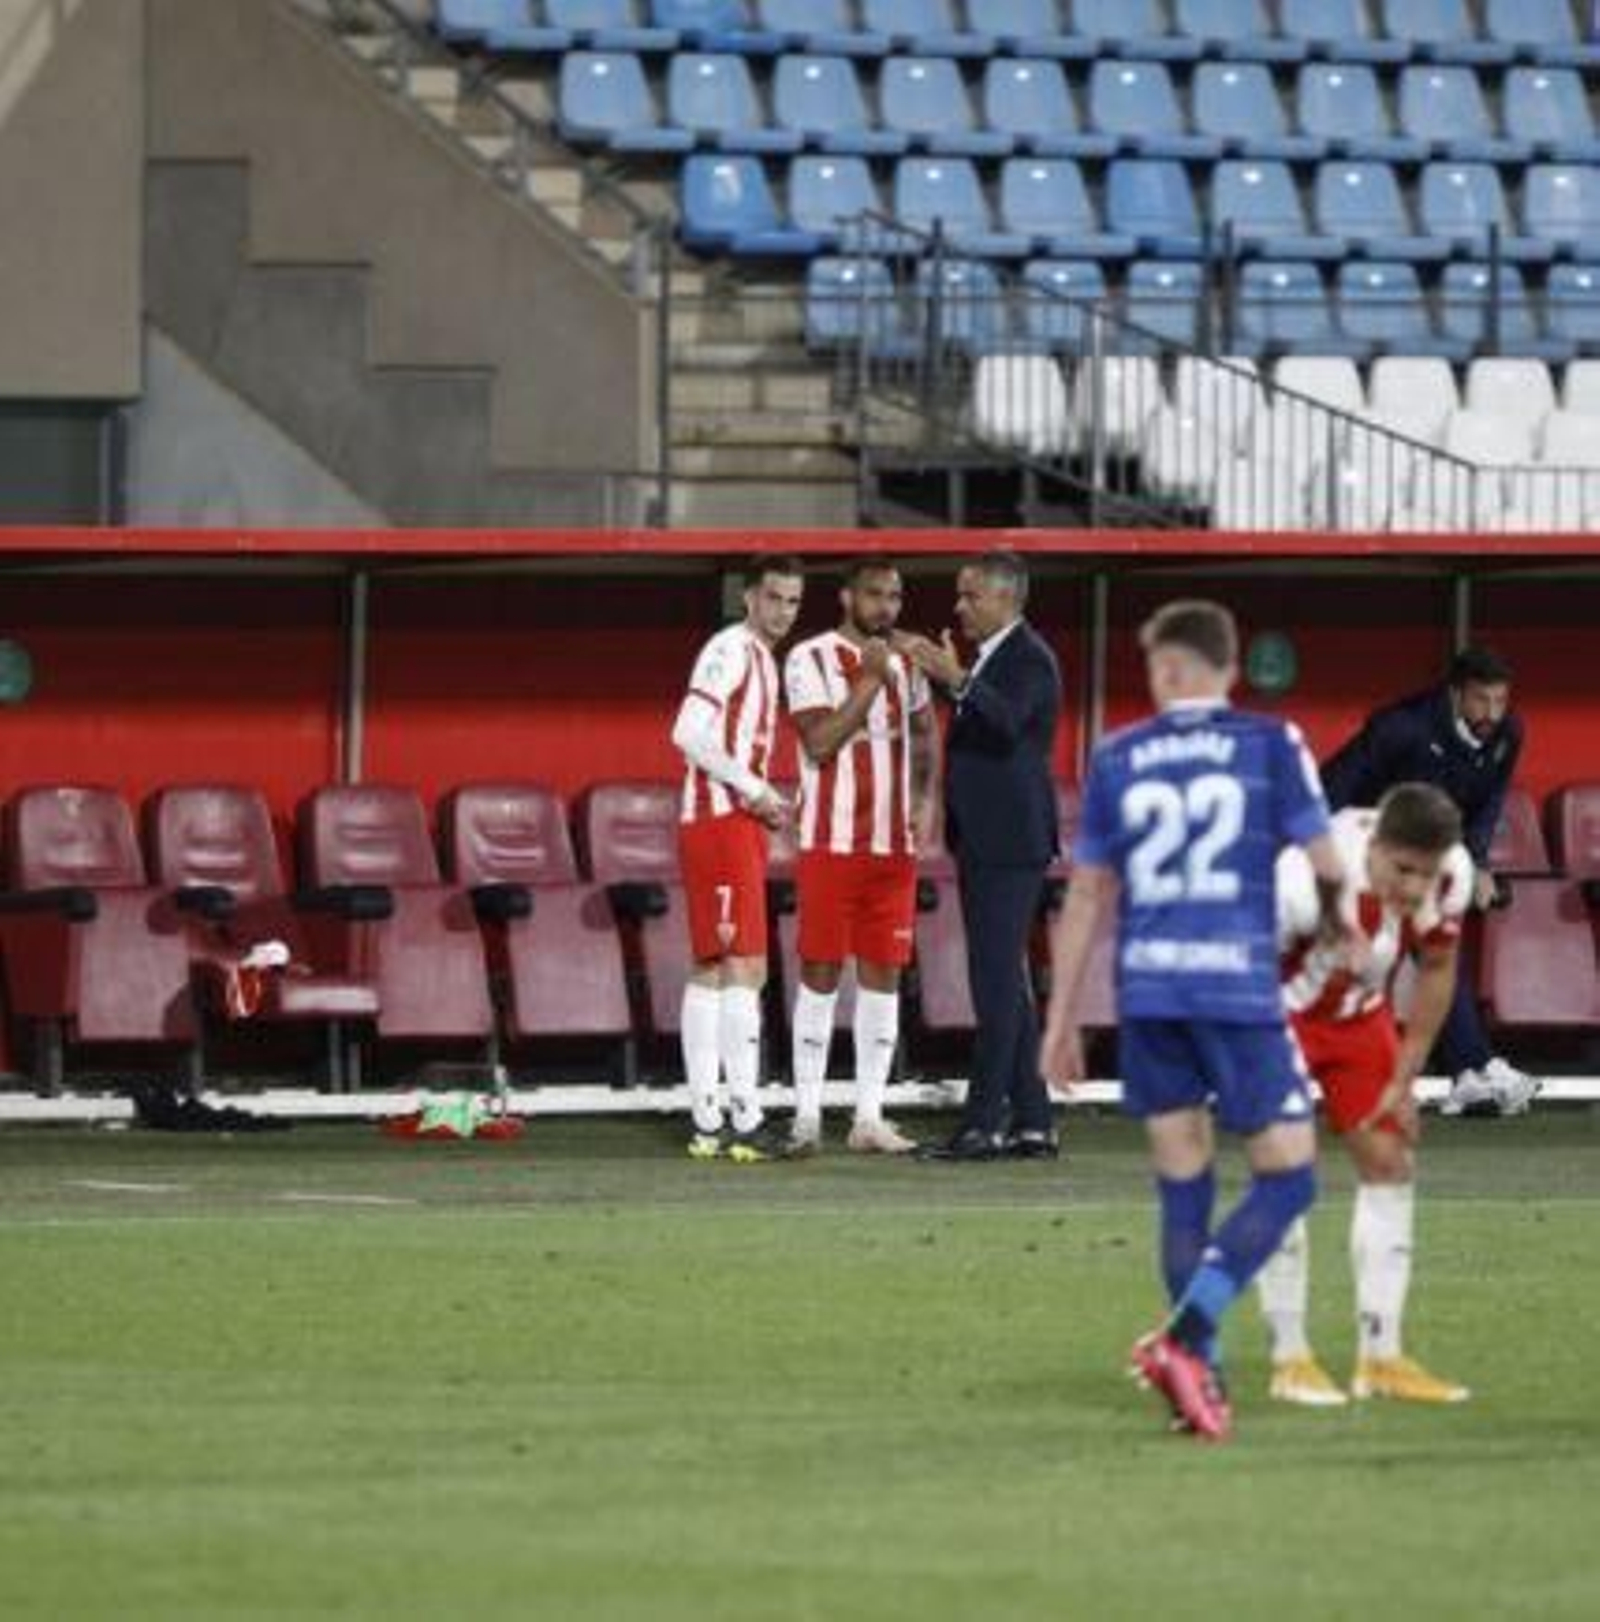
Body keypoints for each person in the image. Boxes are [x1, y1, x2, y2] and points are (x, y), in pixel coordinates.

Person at [1041, 600, 1351, 1442]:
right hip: (1237, 991)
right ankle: (1184, 1337)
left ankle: (1198, 1380)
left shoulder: (1119, 756)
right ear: (1225, 666)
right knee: (1289, 1179)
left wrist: (1061, 1017)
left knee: (1183, 1186)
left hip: (1148, 994)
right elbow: (1326, 866)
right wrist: (1336, 925)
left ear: (1172, 670)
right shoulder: (1268, 744)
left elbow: (1086, 895)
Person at [1258, 783, 1472, 1408]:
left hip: (1358, 1014)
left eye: (1424, 874)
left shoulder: (1451, 873)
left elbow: (1435, 967)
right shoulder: (1303, 873)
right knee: (1288, 1173)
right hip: (1275, 1017)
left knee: (1390, 1161)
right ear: (1373, 846)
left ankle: (1381, 1359)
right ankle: (1289, 1357)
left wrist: (1405, 1076)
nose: (1412, 888)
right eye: (1402, 869)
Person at [896, 549, 1062, 1161]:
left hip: (1009, 842)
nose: (959, 606)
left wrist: (957, 679)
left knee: (992, 985)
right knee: (1006, 985)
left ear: (1004, 598)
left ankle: (983, 1124)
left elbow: (1011, 721)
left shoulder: (1029, 658)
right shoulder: (997, 658)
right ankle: (1034, 1121)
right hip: (990, 838)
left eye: (970, 596)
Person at [1320, 646, 1537, 1118]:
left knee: (1434, 947)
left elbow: (1488, 802)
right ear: (1455, 694)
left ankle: (1471, 1069)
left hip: (1414, 849)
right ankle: (1470, 1065)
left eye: (1501, 701)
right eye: (1481, 700)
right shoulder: (1402, 726)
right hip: (1356, 839)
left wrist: (1478, 862)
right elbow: (1334, 786)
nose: (1493, 713)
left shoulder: (1507, 732)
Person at [783, 557, 938, 1156]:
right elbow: (820, 744)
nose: (887, 607)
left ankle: (869, 1117)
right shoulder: (809, 657)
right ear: (847, 597)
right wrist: (870, 681)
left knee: (884, 976)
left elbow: (925, 734)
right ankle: (806, 1115)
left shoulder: (908, 661)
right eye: (875, 595)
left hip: (892, 847)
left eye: (895, 596)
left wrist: (926, 798)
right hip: (831, 842)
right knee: (821, 972)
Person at [669, 555, 805, 1163]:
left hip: (733, 822)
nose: (782, 611)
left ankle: (711, 1121)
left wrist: (763, 796)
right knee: (742, 967)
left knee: (720, 967)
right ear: (749, 598)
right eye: (773, 598)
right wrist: (754, 790)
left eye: (793, 601)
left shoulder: (760, 658)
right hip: (722, 822)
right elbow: (689, 732)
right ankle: (738, 1120)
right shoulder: (729, 648)